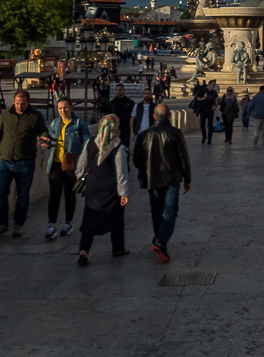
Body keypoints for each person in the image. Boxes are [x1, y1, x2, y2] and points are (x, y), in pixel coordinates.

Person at [0, 90, 48, 238]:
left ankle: (19, 225)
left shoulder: (35, 116)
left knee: (22, 196)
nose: (19, 106)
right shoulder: (6, 115)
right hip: (4, 162)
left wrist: (45, 139)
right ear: (14, 102)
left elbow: (43, 132)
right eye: (17, 103)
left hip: (25, 162)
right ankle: (2, 224)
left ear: (28, 102)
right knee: (0, 194)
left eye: (23, 104)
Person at [132, 104, 192, 263]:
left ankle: (159, 240)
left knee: (157, 211)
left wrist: (145, 170)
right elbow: (183, 158)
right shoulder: (175, 133)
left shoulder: (144, 135)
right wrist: (188, 179)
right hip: (172, 178)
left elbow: (136, 159)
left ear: (154, 116)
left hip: (152, 179)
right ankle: (161, 241)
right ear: (170, 116)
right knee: (171, 211)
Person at [76, 115, 129, 265]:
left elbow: (81, 166)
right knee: (117, 217)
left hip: (93, 187)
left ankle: (84, 250)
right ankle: (118, 248)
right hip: (111, 188)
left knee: (90, 217)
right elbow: (121, 171)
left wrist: (79, 176)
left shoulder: (90, 142)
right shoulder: (118, 145)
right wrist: (123, 192)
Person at [41, 97, 90, 240]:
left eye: (66, 107)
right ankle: (52, 225)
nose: (63, 111)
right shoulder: (55, 123)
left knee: (69, 194)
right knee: (54, 194)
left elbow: (86, 142)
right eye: (60, 108)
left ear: (71, 108)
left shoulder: (79, 123)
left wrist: (82, 162)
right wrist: (46, 144)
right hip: (55, 163)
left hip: (71, 164)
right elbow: (50, 140)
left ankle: (68, 222)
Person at [106, 84, 136, 149]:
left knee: (125, 148)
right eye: (117, 90)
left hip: (126, 130)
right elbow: (107, 117)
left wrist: (132, 131)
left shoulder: (130, 102)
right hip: (114, 130)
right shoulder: (111, 103)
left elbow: (133, 117)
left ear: (124, 90)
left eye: (120, 89)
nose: (118, 91)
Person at [194, 78, 218, 144]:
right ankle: (204, 136)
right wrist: (204, 98)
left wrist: (215, 106)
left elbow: (216, 100)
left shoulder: (214, 92)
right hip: (203, 110)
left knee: (210, 125)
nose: (214, 85)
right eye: (213, 84)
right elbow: (198, 99)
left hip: (210, 110)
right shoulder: (203, 90)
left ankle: (209, 138)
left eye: (214, 84)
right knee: (202, 124)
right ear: (210, 84)